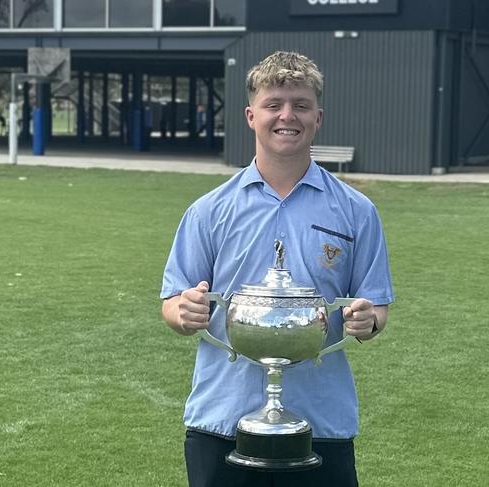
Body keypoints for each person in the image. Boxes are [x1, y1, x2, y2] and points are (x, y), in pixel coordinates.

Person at [160, 51, 394, 487]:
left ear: (318, 117)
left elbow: (376, 307)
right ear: (251, 115)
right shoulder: (208, 211)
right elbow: (173, 301)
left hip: (320, 422)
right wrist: (184, 311)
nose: (287, 116)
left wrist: (368, 319)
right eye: (274, 105)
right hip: (221, 421)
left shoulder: (357, 211)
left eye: (300, 105)